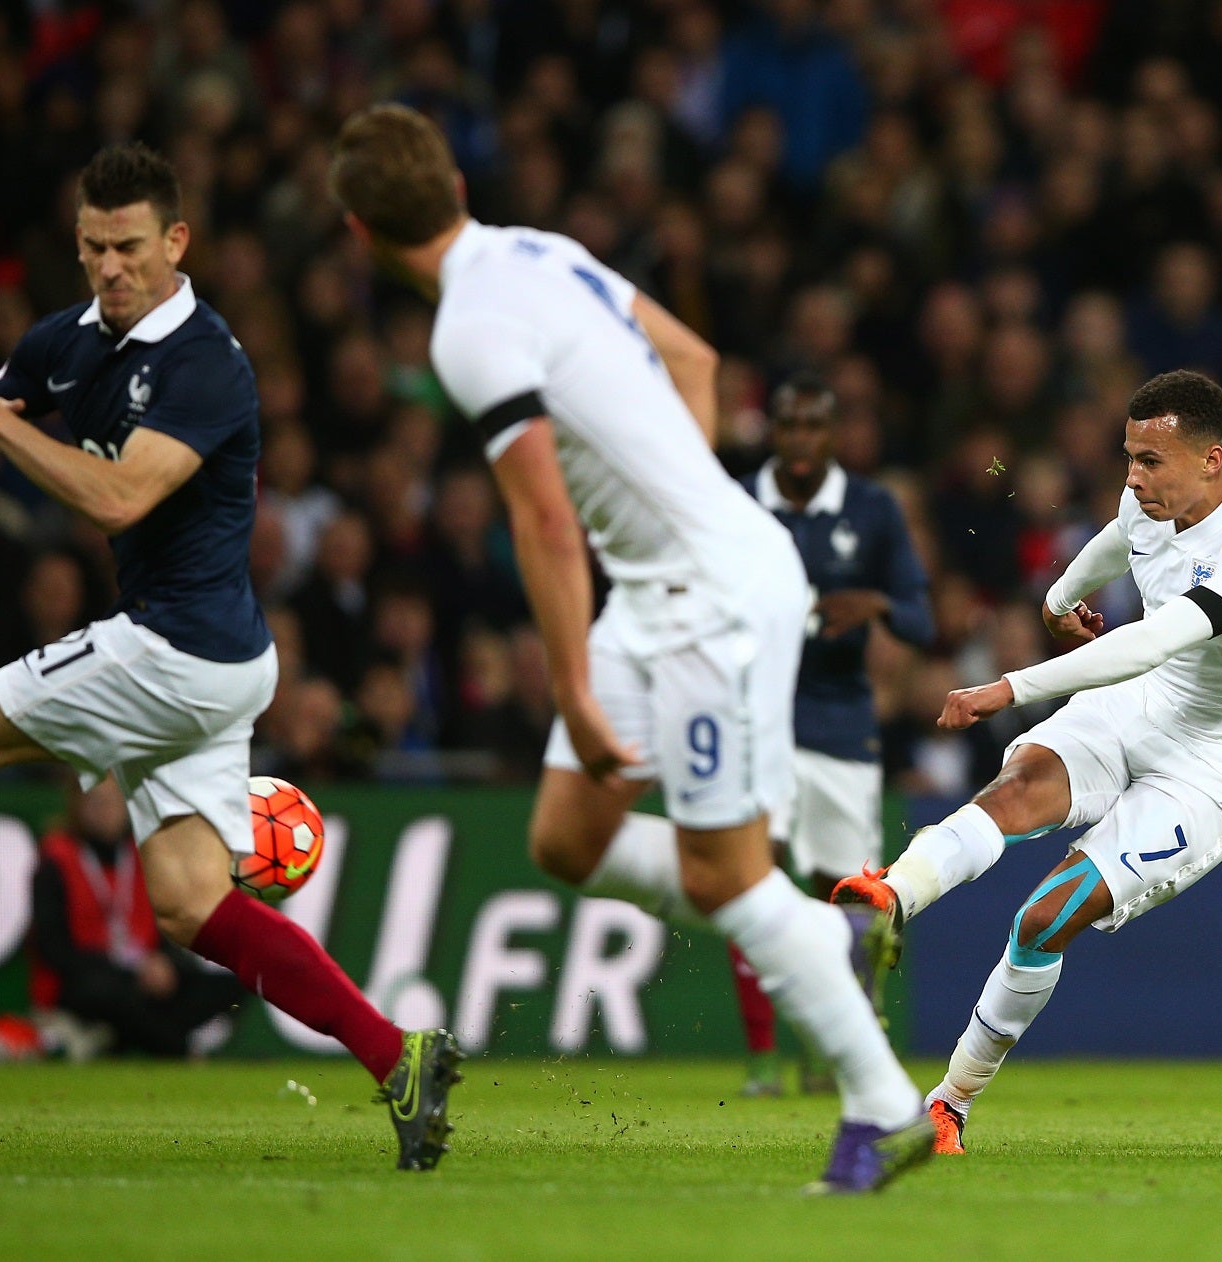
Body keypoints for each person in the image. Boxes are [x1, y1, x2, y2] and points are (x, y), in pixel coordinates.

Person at [328, 103, 935, 1193]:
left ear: (358, 233)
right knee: (565, 837)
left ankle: (882, 1104)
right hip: (656, 590)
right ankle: (814, 933)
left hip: (708, 595)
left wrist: (571, 676)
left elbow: (546, 523)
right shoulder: (539, 251)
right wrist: (674, 488)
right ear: (456, 192)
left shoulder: (465, 328)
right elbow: (695, 357)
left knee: (719, 874)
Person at [0, 143, 460, 1172]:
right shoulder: (67, 337)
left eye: (129, 247)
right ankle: (398, 1056)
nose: (110, 267)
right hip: (217, 663)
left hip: (171, 649)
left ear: (176, 242)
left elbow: (117, 497)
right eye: (92, 247)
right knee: (193, 901)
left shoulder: (207, 362)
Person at [833, 369, 1222, 1154]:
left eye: (1151, 461)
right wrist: (1060, 600)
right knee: (1017, 789)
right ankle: (891, 897)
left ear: (1212, 459)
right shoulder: (1148, 502)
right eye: (1128, 456)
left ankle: (950, 1100)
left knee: (1044, 918)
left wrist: (1010, 686)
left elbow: (1156, 639)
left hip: (1218, 764)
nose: (1133, 476)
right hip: (1140, 704)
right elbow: (1118, 536)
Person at [730, 372, 934, 1097]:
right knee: (750, 878)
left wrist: (875, 600)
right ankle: (761, 1058)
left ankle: (837, 1049)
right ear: (774, 429)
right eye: (790, 425)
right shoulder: (735, 503)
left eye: (815, 426)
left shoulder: (872, 509)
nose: (802, 441)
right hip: (753, 714)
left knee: (847, 896)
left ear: (833, 432)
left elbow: (921, 619)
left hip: (841, 719)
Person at [30, 776, 244, 1059]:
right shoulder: (57, 858)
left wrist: (164, 962)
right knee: (109, 993)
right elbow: (52, 946)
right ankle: (181, 1051)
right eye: (96, 801)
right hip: (86, 978)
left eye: (112, 801)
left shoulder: (142, 855)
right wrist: (126, 969)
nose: (105, 810)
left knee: (232, 982)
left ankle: (119, 1039)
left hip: (142, 976)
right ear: (78, 805)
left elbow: (163, 926)